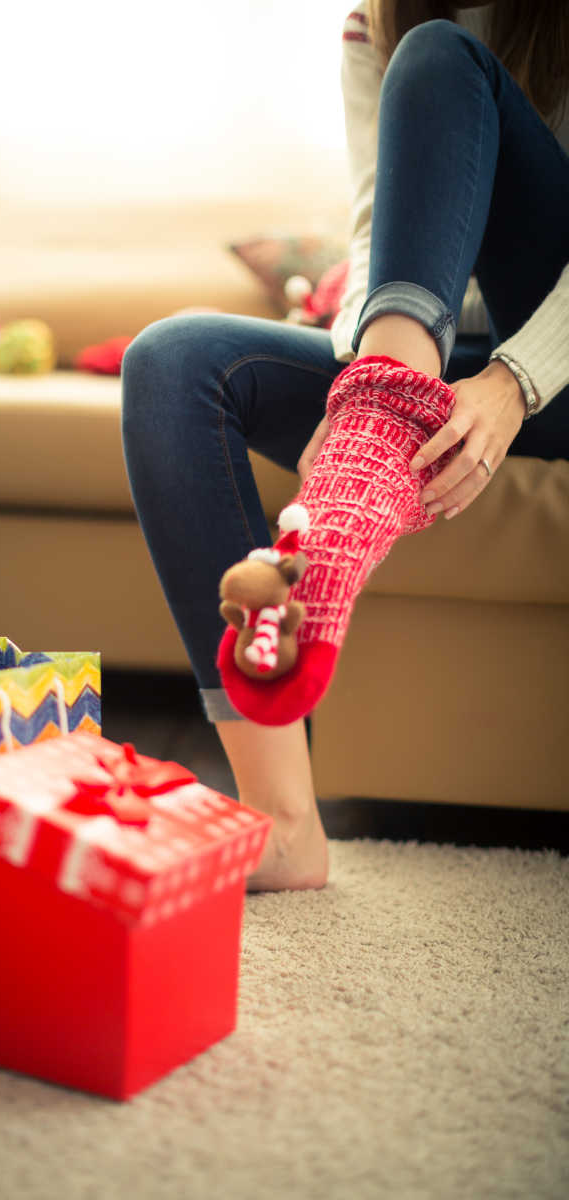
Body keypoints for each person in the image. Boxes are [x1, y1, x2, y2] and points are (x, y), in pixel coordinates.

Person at [121, 1, 569, 891]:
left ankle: (371, 434)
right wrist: (360, 367)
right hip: (422, 364)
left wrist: (514, 382)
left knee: (443, 58)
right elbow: (375, 231)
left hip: (550, 363)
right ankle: (285, 825)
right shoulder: (375, 21)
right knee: (168, 362)